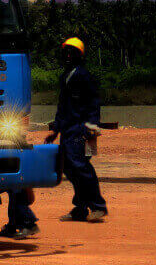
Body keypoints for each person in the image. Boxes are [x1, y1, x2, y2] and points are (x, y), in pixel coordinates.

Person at [46, 37, 108, 222]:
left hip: (83, 130)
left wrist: (92, 126)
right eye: (65, 52)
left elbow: (94, 103)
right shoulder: (66, 76)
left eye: (71, 52)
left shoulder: (84, 76)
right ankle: (81, 208)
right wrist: (56, 130)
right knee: (70, 169)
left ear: (79, 56)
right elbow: (62, 106)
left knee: (82, 167)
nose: (67, 55)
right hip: (68, 130)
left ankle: (99, 206)